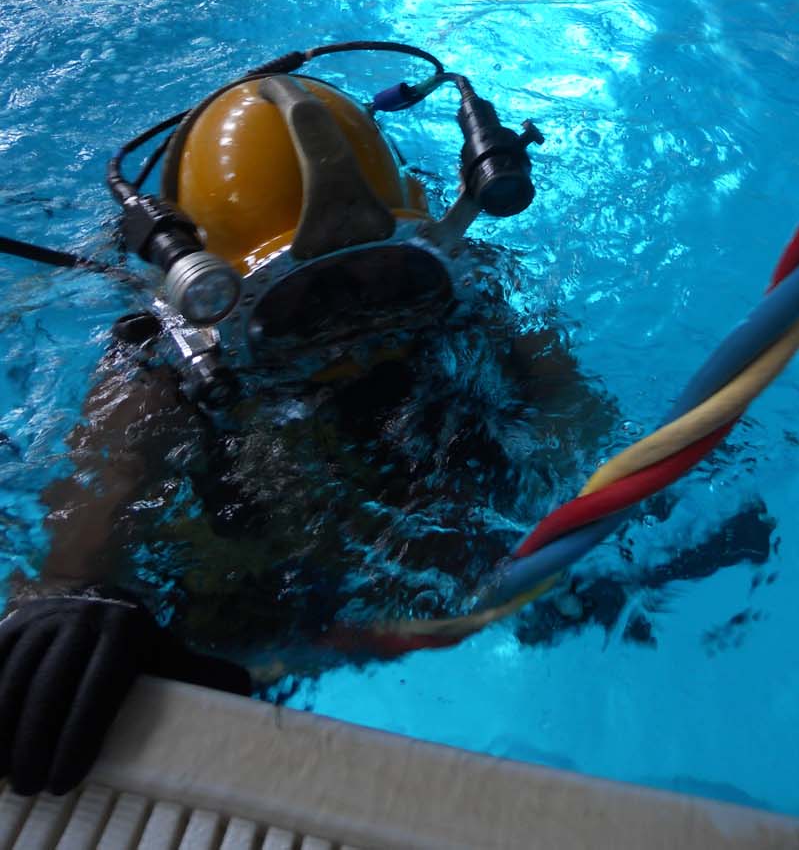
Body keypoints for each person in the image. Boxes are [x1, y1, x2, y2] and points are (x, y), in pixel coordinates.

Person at [0, 51, 618, 796]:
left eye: (381, 280)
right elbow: (77, 551)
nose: (353, 330)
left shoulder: (462, 285)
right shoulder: (161, 370)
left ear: (423, 243)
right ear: (214, 303)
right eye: (309, 300)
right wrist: (75, 607)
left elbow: (580, 424)